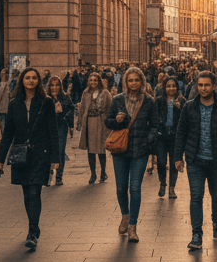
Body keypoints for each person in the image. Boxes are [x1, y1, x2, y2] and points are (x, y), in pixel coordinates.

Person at [174, 71, 217, 251]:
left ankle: (216, 223)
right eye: (200, 85)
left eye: (207, 85)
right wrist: (178, 157)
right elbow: (181, 133)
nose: (203, 88)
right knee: (196, 196)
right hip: (195, 160)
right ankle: (196, 233)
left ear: (214, 86)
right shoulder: (189, 107)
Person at [0, 68, 58, 249]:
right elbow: (8, 133)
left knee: (34, 191)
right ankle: (34, 225)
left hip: (40, 153)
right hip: (20, 153)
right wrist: (0, 160)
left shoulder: (46, 102)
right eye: (27, 78)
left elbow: (53, 131)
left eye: (34, 78)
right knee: (25, 192)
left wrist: (55, 158)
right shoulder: (14, 104)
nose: (31, 81)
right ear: (22, 81)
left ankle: (32, 231)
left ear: (38, 81)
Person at [105, 67, 159, 243]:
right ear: (125, 82)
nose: (134, 83)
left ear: (142, 82)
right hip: (120, 150)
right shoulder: (117, 100)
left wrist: (148, 140)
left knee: (135, 187)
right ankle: (125, 215)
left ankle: (133, 227)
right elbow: (108, 121)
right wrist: (117, 121)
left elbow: (155, 124)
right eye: (130, 80)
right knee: (121, 187)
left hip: (140, 150)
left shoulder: (149, 101)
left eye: (136, 80)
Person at [77, 72, 112, 184]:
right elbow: (82, 108)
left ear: (99, 81)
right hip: (89, 122)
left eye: (95, 80)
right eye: (91, 80)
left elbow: (110, 107)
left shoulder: (105, 93)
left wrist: (109, 121)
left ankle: (103, 172)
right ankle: (93, 174)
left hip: (100, 122)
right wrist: (80, 123)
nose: (93, 82)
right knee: (90, 150)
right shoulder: (86, 93)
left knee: (101, 149)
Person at [154, 76, 185, 199]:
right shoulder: (159, 101)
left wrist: (180, 108)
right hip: (161, 136)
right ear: (164, 87)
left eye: (173, 86)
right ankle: (162, 182)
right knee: (161, 162)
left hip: (175, 138)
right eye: (168, 86)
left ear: (177, 87)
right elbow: (155, 118)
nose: (171, 88)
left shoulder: (182, 101)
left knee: (174, 163)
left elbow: (186, 120)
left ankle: (172, 189)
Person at [48, 76, 74, 186]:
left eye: (57, 85)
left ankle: (59, 176)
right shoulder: (45, 98)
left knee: (60, 151)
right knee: (48, 151)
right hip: (48, 128)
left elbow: (71, 109)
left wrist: (70, 124)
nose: (54, 87)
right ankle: (48, 176)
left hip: (61, 127)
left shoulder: (65, 98)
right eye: (52, 85)